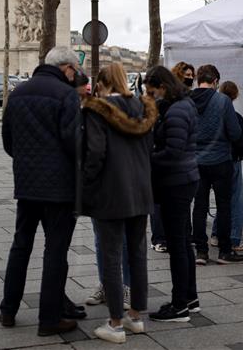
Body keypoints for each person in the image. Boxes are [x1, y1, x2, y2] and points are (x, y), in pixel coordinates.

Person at [0, 47, 82, 336]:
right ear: (67, 69)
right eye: (74, 70)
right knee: (55, 250)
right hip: (59, 188)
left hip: (26, 184)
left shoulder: (18, 93)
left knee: (21, 245)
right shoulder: (66, 94)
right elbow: (74, 142)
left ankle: (8, 310)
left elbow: (7, 140)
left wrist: (27, 162)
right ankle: (49, 319)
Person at [81, 63, 157, 343]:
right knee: (138, 254)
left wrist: (85, 184)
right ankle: (135, 316)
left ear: (102, 84)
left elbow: (95, 153)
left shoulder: (96, 110)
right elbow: (149, 148)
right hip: (140, 190)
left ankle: (115, 323)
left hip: (110, 191)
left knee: (111, 256)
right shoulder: (142, 108)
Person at [144, 65, 201, 323]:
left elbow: (173, 151)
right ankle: (190, 297)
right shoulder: (181, 105)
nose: (151, 95)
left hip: (175, 182)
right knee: (184, 242)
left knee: (177, 244)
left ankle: (179, 306)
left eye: (152, 90)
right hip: (183, 179)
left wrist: (147, 158)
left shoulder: (177, 110)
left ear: (163, 87)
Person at [189, 64, 243, 265]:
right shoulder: (223, 101)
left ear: (197, 80)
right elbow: (235, 132)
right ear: (215, 81)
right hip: (221, 160)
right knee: (224, 206)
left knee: (199, 207)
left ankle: (201, 252)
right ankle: (224, 251)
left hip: (195, 162)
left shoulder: (187, 101)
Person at [211, 81, 243, 252]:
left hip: (214, 160)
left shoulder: (211, 115)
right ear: (235, 96)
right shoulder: (236, 117)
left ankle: (215, 234)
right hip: (232, 160)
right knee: (235, 201)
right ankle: (234, 237)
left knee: (222, 200)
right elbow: (238, 140)